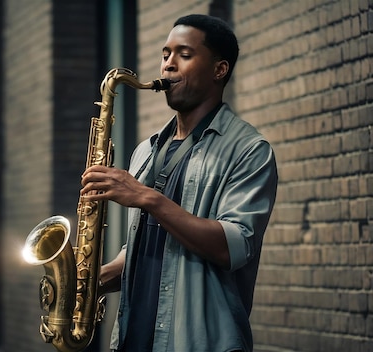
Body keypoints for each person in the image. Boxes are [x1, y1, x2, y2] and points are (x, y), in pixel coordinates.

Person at [80, 14, 278, 352]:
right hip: (131, 340)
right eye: (165, 54)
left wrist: (148, 198)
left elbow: (233, 246)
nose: (168, 65)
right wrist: (92, 279)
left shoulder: (250, 150)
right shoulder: (146, 150)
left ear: (220, 70)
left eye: (184, 55)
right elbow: (151, 245)